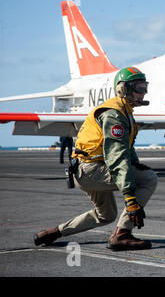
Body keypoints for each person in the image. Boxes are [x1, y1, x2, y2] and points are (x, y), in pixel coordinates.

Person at [33, 67, 158, 251]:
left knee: (106, 215)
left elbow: (127, 151)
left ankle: (53, 233)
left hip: (88, 169)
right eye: (139, 88)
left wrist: (136, 165)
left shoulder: (124, 112)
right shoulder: (114, 114)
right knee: (148, 178)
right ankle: (122, 234)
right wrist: (131, 198)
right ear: (124, 89)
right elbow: (117, 156)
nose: (144, 93)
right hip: (91, 170)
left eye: (144, 87)